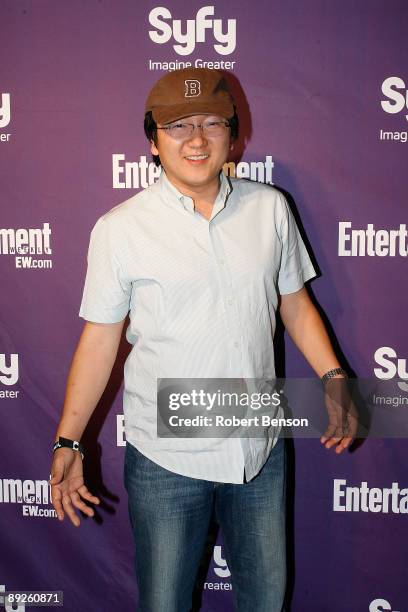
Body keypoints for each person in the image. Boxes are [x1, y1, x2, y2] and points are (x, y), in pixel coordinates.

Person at [50, 67, 355, 612]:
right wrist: (69, 441)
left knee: (265, 601)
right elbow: (100, 340)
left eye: (213, 123)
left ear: (234, 136)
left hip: (258, 450)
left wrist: (333, 376)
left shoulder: (270, 209)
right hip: (166, 457)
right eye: (179, 126)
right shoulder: (120, 229)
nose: (197, 139)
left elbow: (292, 301)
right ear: (153, 141)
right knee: (164, 604)